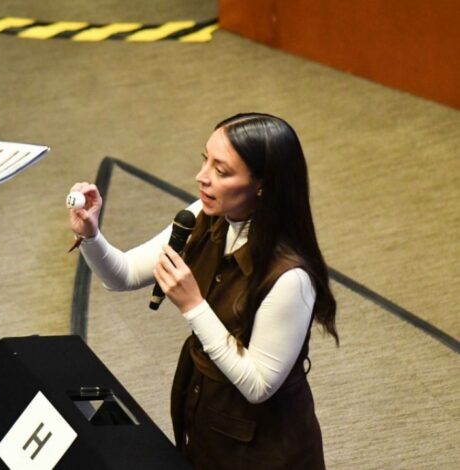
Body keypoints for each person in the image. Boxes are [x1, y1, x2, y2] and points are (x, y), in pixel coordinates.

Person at [68, 113, 338, 469]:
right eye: (204, 159)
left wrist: (193, 305)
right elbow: (124, 274)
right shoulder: (204, 217)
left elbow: (259, 385)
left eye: (221, 171)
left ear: (263, 186)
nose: (202, 177)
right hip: (204, 417)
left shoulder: (290, 278)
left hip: (264, 450)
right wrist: (91, 235)